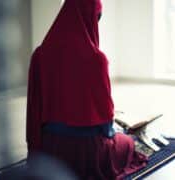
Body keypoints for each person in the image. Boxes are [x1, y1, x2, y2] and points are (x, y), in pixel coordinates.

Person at [26, 0, 147, 179]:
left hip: (52, 151)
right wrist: (113, 134)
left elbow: (34, 111)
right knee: (127, 142)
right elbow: (106, 125)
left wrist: (36, 152)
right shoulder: (97, 60)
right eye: (96, 18)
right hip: (90, 151)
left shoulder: (39, 55)